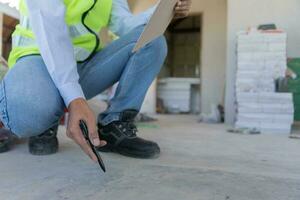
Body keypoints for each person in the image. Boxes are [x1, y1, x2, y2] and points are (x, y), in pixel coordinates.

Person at [0, 0, 191, 159]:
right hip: (37, 58)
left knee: (152, 41)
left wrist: (163, 11)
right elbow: (49, 26)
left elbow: (125, 24)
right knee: (25, 114)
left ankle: (114, 124)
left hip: (83, 65)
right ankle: (44, 120)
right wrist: (73, 97)